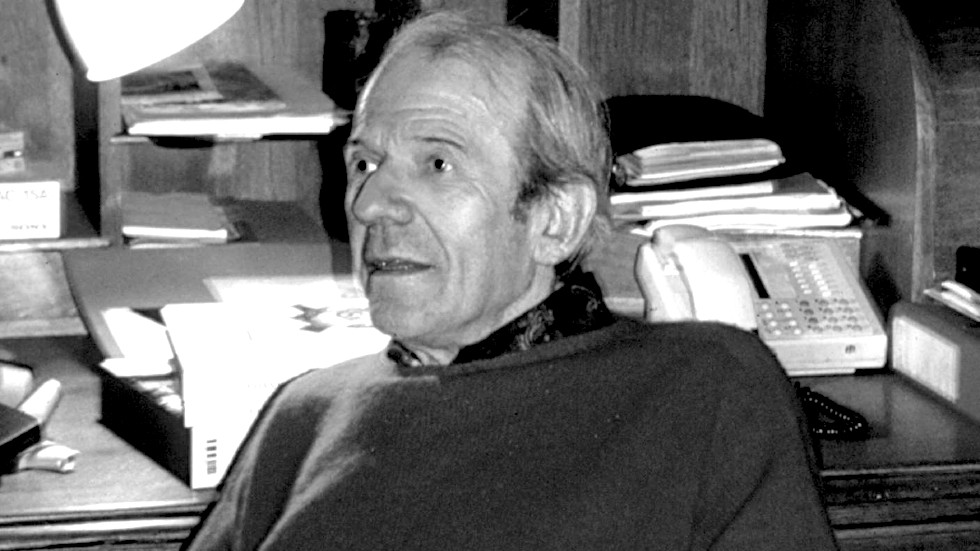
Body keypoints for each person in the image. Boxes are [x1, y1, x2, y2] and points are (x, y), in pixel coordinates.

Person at [183, 10, 839, 550]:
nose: (371, 203)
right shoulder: (303, 415)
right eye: (364, 163)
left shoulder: (705, 388)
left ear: (556, 218)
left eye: (437, 164)